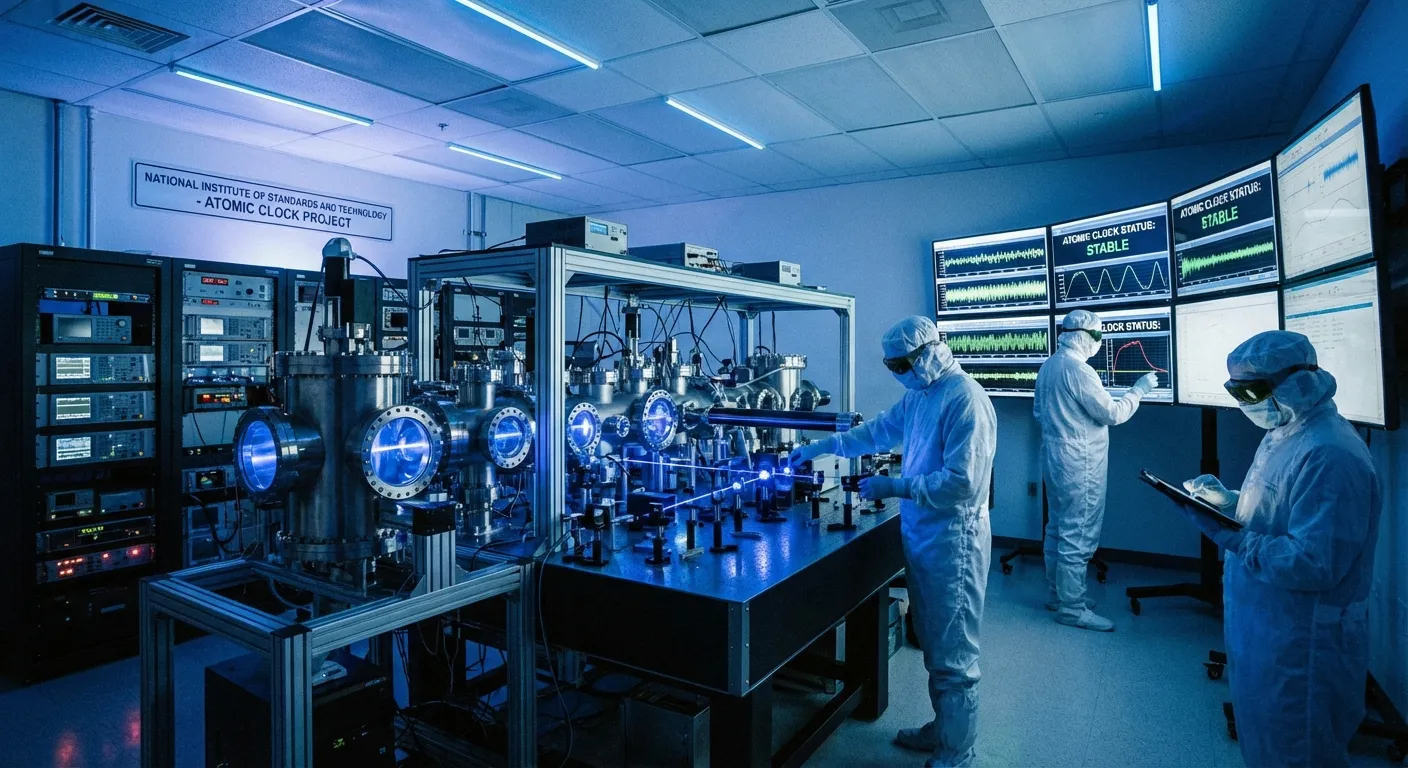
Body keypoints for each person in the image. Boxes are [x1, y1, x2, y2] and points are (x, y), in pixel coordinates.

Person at [789, 316, 996, 767]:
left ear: (927, 353)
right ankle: (942, 731)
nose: (897, 372)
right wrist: (820, 446)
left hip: (954, 542)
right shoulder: (922, 395)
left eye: (901, 364)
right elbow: (877, 431)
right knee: (936, 645)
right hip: (925, 535)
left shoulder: (966, 400)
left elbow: (962, 483)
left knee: (954, 655)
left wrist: (894, 487)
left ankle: (957, 753)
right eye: (890, 366)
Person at [1175, 330, 1379, 767]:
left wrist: (1233, 537)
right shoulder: (1287, 432)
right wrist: (1227, 503)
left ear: (1296, 382)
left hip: (1302, 646)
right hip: (1266, 631)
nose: (1245, 403)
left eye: (1251, 391)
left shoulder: (1330, 454)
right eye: (1237, 392)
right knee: (1264, 746)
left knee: (1296, 753)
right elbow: (1274, 511)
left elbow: (1312, 563)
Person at [1034, 310, 1158, 631]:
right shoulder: (1079, 370)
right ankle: (1072, 609)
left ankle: (1057, 595)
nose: (1099, 343)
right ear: (1084, 335)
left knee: (1058, 528)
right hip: (1080, 464)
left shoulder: (1049, 366)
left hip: (1055, 460)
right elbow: (1113, 414)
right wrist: (1140, 389)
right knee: (1078, 534)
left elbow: (1038, 412)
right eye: (1098, 336)